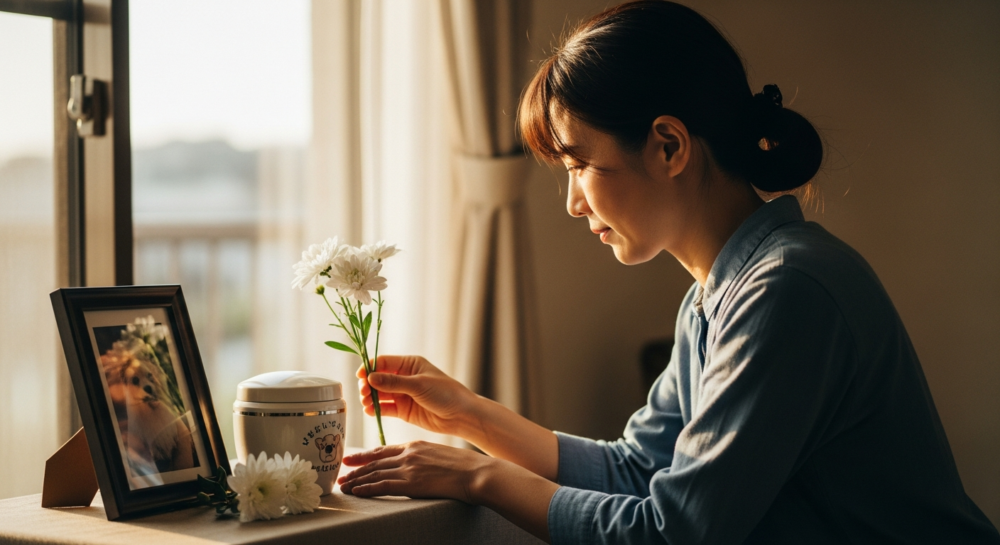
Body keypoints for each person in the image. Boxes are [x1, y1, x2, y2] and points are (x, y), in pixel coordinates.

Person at [337, 1, 1000, 543]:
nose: (572, 201)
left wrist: (478, 477)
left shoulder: (787, 291)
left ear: (669, 145)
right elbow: (638, 470)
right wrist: (473, 418)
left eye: (578, 164)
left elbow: (674, 532)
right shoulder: (716, 295)